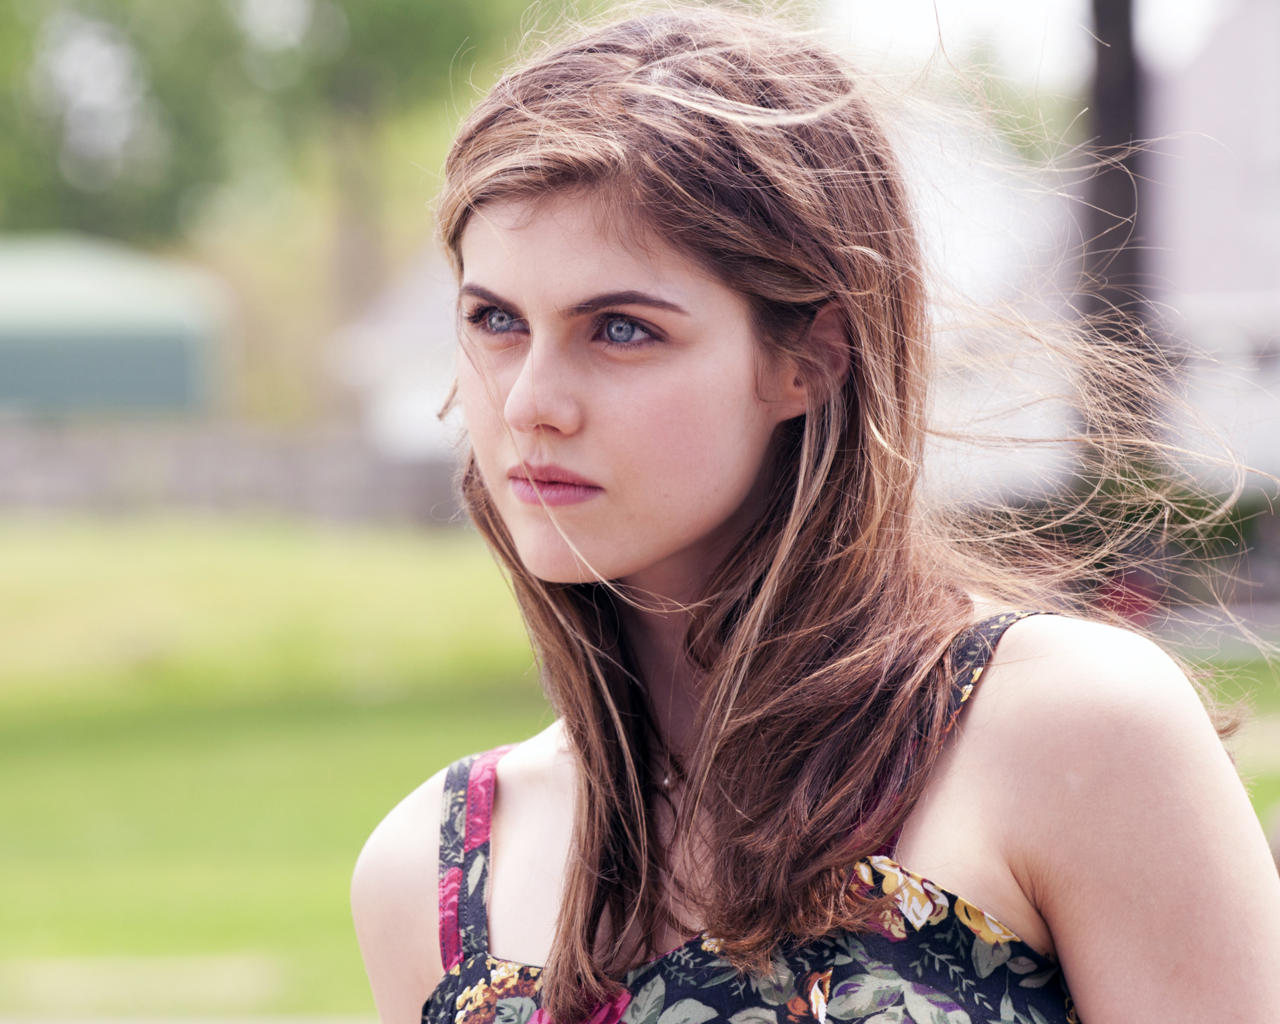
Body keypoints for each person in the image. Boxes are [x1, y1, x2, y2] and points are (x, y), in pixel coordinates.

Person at [351, 6, 1280, 1023]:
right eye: (495, 320)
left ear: (807, 359)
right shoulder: (431, 876)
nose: (529, 399)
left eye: (619, 328)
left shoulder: (1071, 734)